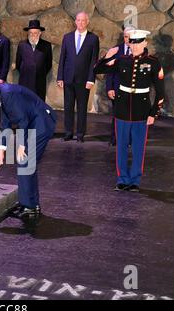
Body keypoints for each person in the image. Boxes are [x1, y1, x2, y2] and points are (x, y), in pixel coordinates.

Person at [94, 29, 165, 192]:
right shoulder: (122, 60)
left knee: (139, 147)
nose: (135, 46)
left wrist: (154, 113)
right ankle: (122, 179)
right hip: (122, 109)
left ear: (145, 43)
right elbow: (97, 70)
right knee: (121, 147)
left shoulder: (154, 62)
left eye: (138, 43)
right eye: (132, 43)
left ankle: (135, 181)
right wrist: (107, 56)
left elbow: (160, 91)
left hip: (142, 110)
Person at [0, 80, 56, 220]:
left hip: (41, 124)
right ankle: (28, 204)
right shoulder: (1, 93)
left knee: (25, 164)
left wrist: (22, 146)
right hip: (33, 123)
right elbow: (6, 123)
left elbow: (23, 120)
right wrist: (2, 150)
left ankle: (30, 207)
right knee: (26, 164)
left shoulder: (8, 94)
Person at [57, 12, 99, 143]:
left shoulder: (93, 39)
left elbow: (94, 61)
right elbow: (62, 58)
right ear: (75, 21)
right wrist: (60, 77)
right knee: (68, 107)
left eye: (83, 20)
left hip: (84, 80)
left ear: (87, 22)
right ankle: (68, 132)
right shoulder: (67, 37)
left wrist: (91, 79)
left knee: (81, 108)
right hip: (68, 78)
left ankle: (80, 134)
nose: (81, 23)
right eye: (78, 20)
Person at [106, 26, 135, 146]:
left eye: (129, 37)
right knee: (117, 115)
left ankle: (129, 140)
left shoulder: (141, 50)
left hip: (133, 90)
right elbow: (110, 72)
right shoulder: (116, 50)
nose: (127, 39)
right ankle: (115, 139)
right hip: (118, 89)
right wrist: (110, 88)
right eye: (125, 36)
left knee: (131, 115)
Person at [16, 19, 52, 101]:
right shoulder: (22, 45)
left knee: (38, 104)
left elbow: (48, 64)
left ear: (40, 33)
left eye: (35, 32)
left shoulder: (46, 45)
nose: (33, 35)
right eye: (31, 32)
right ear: (28, 33)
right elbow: (18, 63)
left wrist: (39, 71)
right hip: (25, 80)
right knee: (25, 102)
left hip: (39, 81)